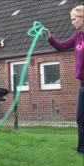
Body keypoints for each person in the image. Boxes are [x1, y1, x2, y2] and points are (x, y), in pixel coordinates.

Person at [44, 5, 84, 154]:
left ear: (82, 18)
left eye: (74, 19)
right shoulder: (78, 36)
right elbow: (61, 46)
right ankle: (81, 150)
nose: (72, 22)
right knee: (80, 118)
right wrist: (49, 37)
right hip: (82, 85)